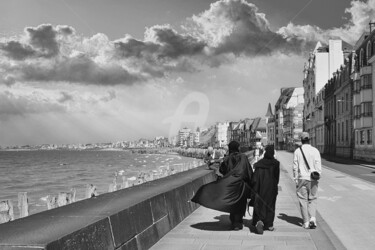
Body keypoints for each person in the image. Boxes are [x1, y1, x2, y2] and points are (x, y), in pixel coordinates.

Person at [191, 141, 253, 230]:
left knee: (233, 202)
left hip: (230, 184)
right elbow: (248, 170)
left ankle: (235, 222)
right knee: (240, 203)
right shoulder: (243, 157)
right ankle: (238, 221)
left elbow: (222, 170)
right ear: (238, 148)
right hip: (241, 185)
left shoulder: (227, 158)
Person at [293, 132, 322, 229]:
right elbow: (318, 165)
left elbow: (295, 167)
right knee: (313, 199)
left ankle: (306, 222)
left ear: (301, 140)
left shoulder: (297, 151)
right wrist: (318, 175)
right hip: (313, 178)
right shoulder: (315, 150)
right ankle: (313, 218)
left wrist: (296, 179)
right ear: (309, 139)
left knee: (303, 200)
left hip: (302, 178)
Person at [251, 145, 280, 234]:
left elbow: (254, 177)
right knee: (270, 205)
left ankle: (259, 220)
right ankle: (269, 225)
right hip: (271, 188)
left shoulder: (259, 163)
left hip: (260, 187)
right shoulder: (275, 163)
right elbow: (276, 177)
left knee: (259, 204)